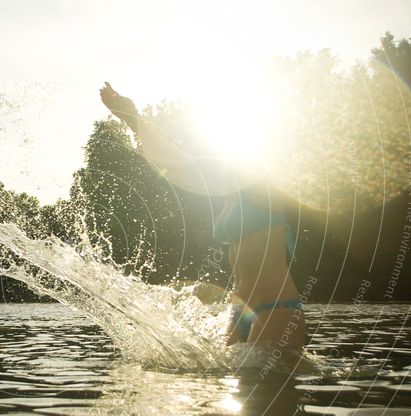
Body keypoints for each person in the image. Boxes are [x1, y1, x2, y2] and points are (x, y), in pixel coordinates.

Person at [99, 82, 305, 349]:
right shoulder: (232, 193)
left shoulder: (266, 190)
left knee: (268, 384)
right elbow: (175, 163)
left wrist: (134, 116)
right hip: (240, 309)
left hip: (276, 306)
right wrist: (132, 120)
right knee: (238, 383)